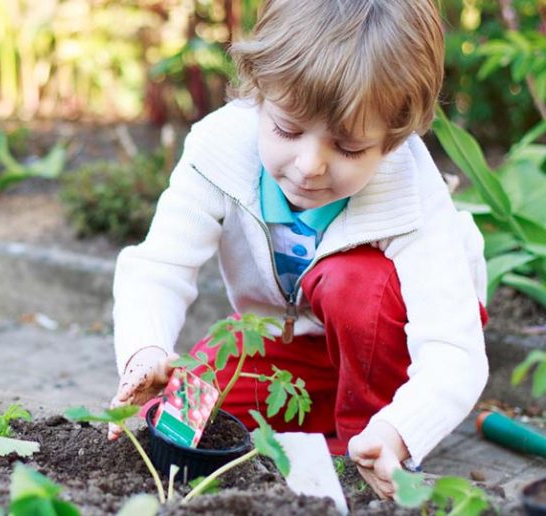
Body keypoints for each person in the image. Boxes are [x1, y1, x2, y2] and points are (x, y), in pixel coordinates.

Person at [108, 0, 489, 500]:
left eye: (349, 149)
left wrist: (401, 427)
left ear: (393, 139)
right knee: (179, 419)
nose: (310, 165)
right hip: (289, 345)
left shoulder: (410, 193)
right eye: (287, 129)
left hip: (391, 354)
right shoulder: (219, 150)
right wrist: (147, 348)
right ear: (259, 94)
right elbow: (159, 265)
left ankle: (363, 448)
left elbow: (452, 349)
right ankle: (321, 418)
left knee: (354, 281)